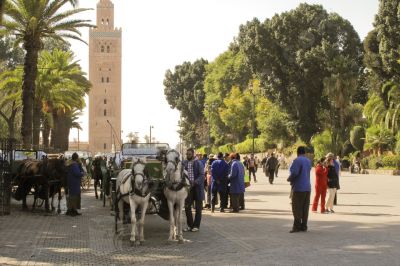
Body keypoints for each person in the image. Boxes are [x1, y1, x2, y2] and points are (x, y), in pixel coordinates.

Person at [287, 146, 312, 233]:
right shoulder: (308, 161)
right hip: (307, 187)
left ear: (297, 153)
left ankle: (296, 226)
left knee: (296, 207)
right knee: (305, 208)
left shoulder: (297, 160)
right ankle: (304, 226)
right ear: (304, 153)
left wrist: (289, 179)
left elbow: (294, 173)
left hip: (298, 187)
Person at [183, 148, 205, 232]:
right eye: (187, 154)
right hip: (188, 188)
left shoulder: (198, 163)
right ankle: (190, 225)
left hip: (197, 187)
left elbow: (202, 175)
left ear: (193, 154)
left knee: (198, 208)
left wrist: (195, 182)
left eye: (189, 154)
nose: (188, 155)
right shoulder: (184, 163)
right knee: (187, 207)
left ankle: (196, 226)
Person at [66, 152, 84, 216]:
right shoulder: (74, 164)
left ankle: (73, 210)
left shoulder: (70, 163)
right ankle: (71, 211)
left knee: (72, 196)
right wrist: (82, 173)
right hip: (75, 182)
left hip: (71, 182)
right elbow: (77, 173)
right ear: (76, 158)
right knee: (74, 197)